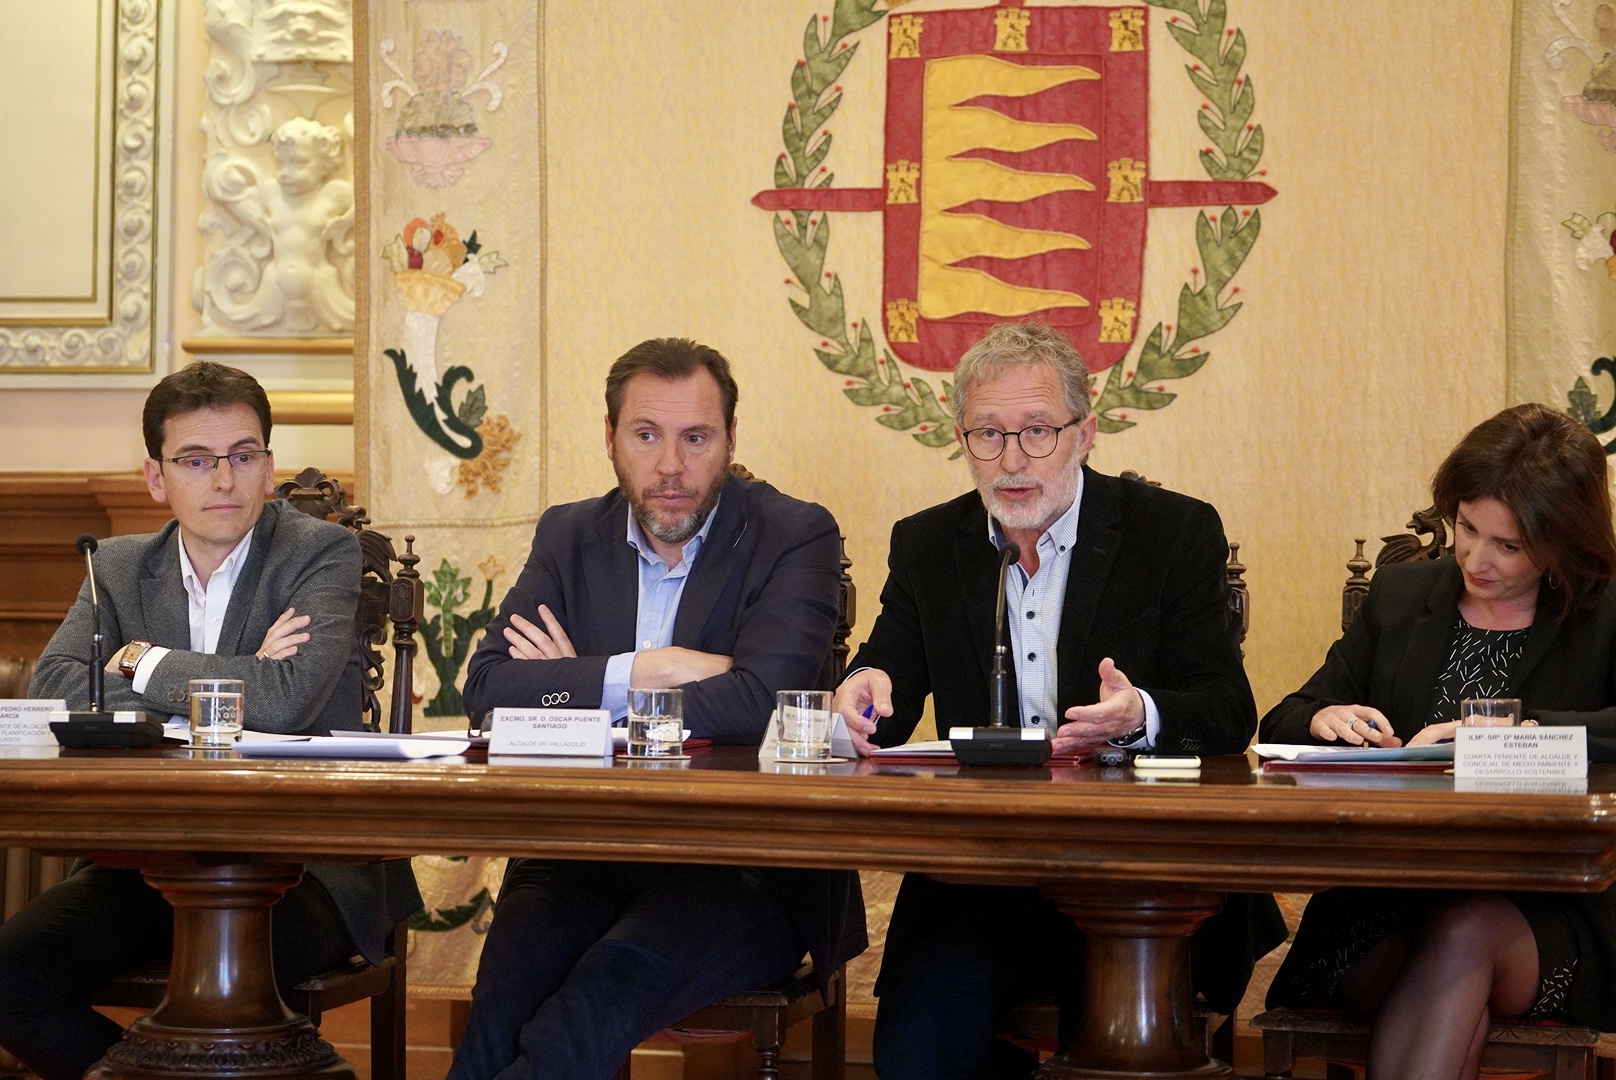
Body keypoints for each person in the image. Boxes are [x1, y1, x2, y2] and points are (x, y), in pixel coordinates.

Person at [831, 321, 1284, 1080]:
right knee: (914, 1055)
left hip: (1137, 875)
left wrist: (1139, 716)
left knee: (1119, 1053)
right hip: (980, 875)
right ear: (962, 439)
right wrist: (863, 689)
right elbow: (888, 682)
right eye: (988, 434)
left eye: (1038, 431)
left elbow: (1227, 710)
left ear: (1085, 434)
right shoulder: (930, 544)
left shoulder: (1171, 533)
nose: (1012, 461)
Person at [449, 337, 866, 1080]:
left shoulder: (794, 533)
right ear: (610, 438)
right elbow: (486, 690)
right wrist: (648, 668)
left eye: (695, 438)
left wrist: (578, 683)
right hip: (584, 850)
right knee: (501, 1003)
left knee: (591, 1003)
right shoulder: (569, 535)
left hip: (743, 864)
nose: (670, 465)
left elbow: (764, 702)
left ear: (730, 438)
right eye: (646, 436)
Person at [0, 361, 421, 1080]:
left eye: (243, 456)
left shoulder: (320, 552)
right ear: (156, 477)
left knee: (221, 986)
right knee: (12, 978)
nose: (224, 480)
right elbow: (60, 689)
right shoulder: (117, 567)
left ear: (268, 467)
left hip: (303, 864)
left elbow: (285, 699)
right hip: (147, 859)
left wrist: (138, 661)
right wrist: (241, 676)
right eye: (196, 460)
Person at [1260, 402, 1616, 1079]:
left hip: (1543, 906)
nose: (1475, 559)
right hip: (1387, 898)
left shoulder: (1602, 612)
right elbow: (1283, 717)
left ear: (1563, 541)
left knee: (1463, 931)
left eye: (1509, 546)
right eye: (1467, 528)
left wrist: (1525, 733)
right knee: (1449, 975)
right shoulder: (1403, 594)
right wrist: (1324, 717)